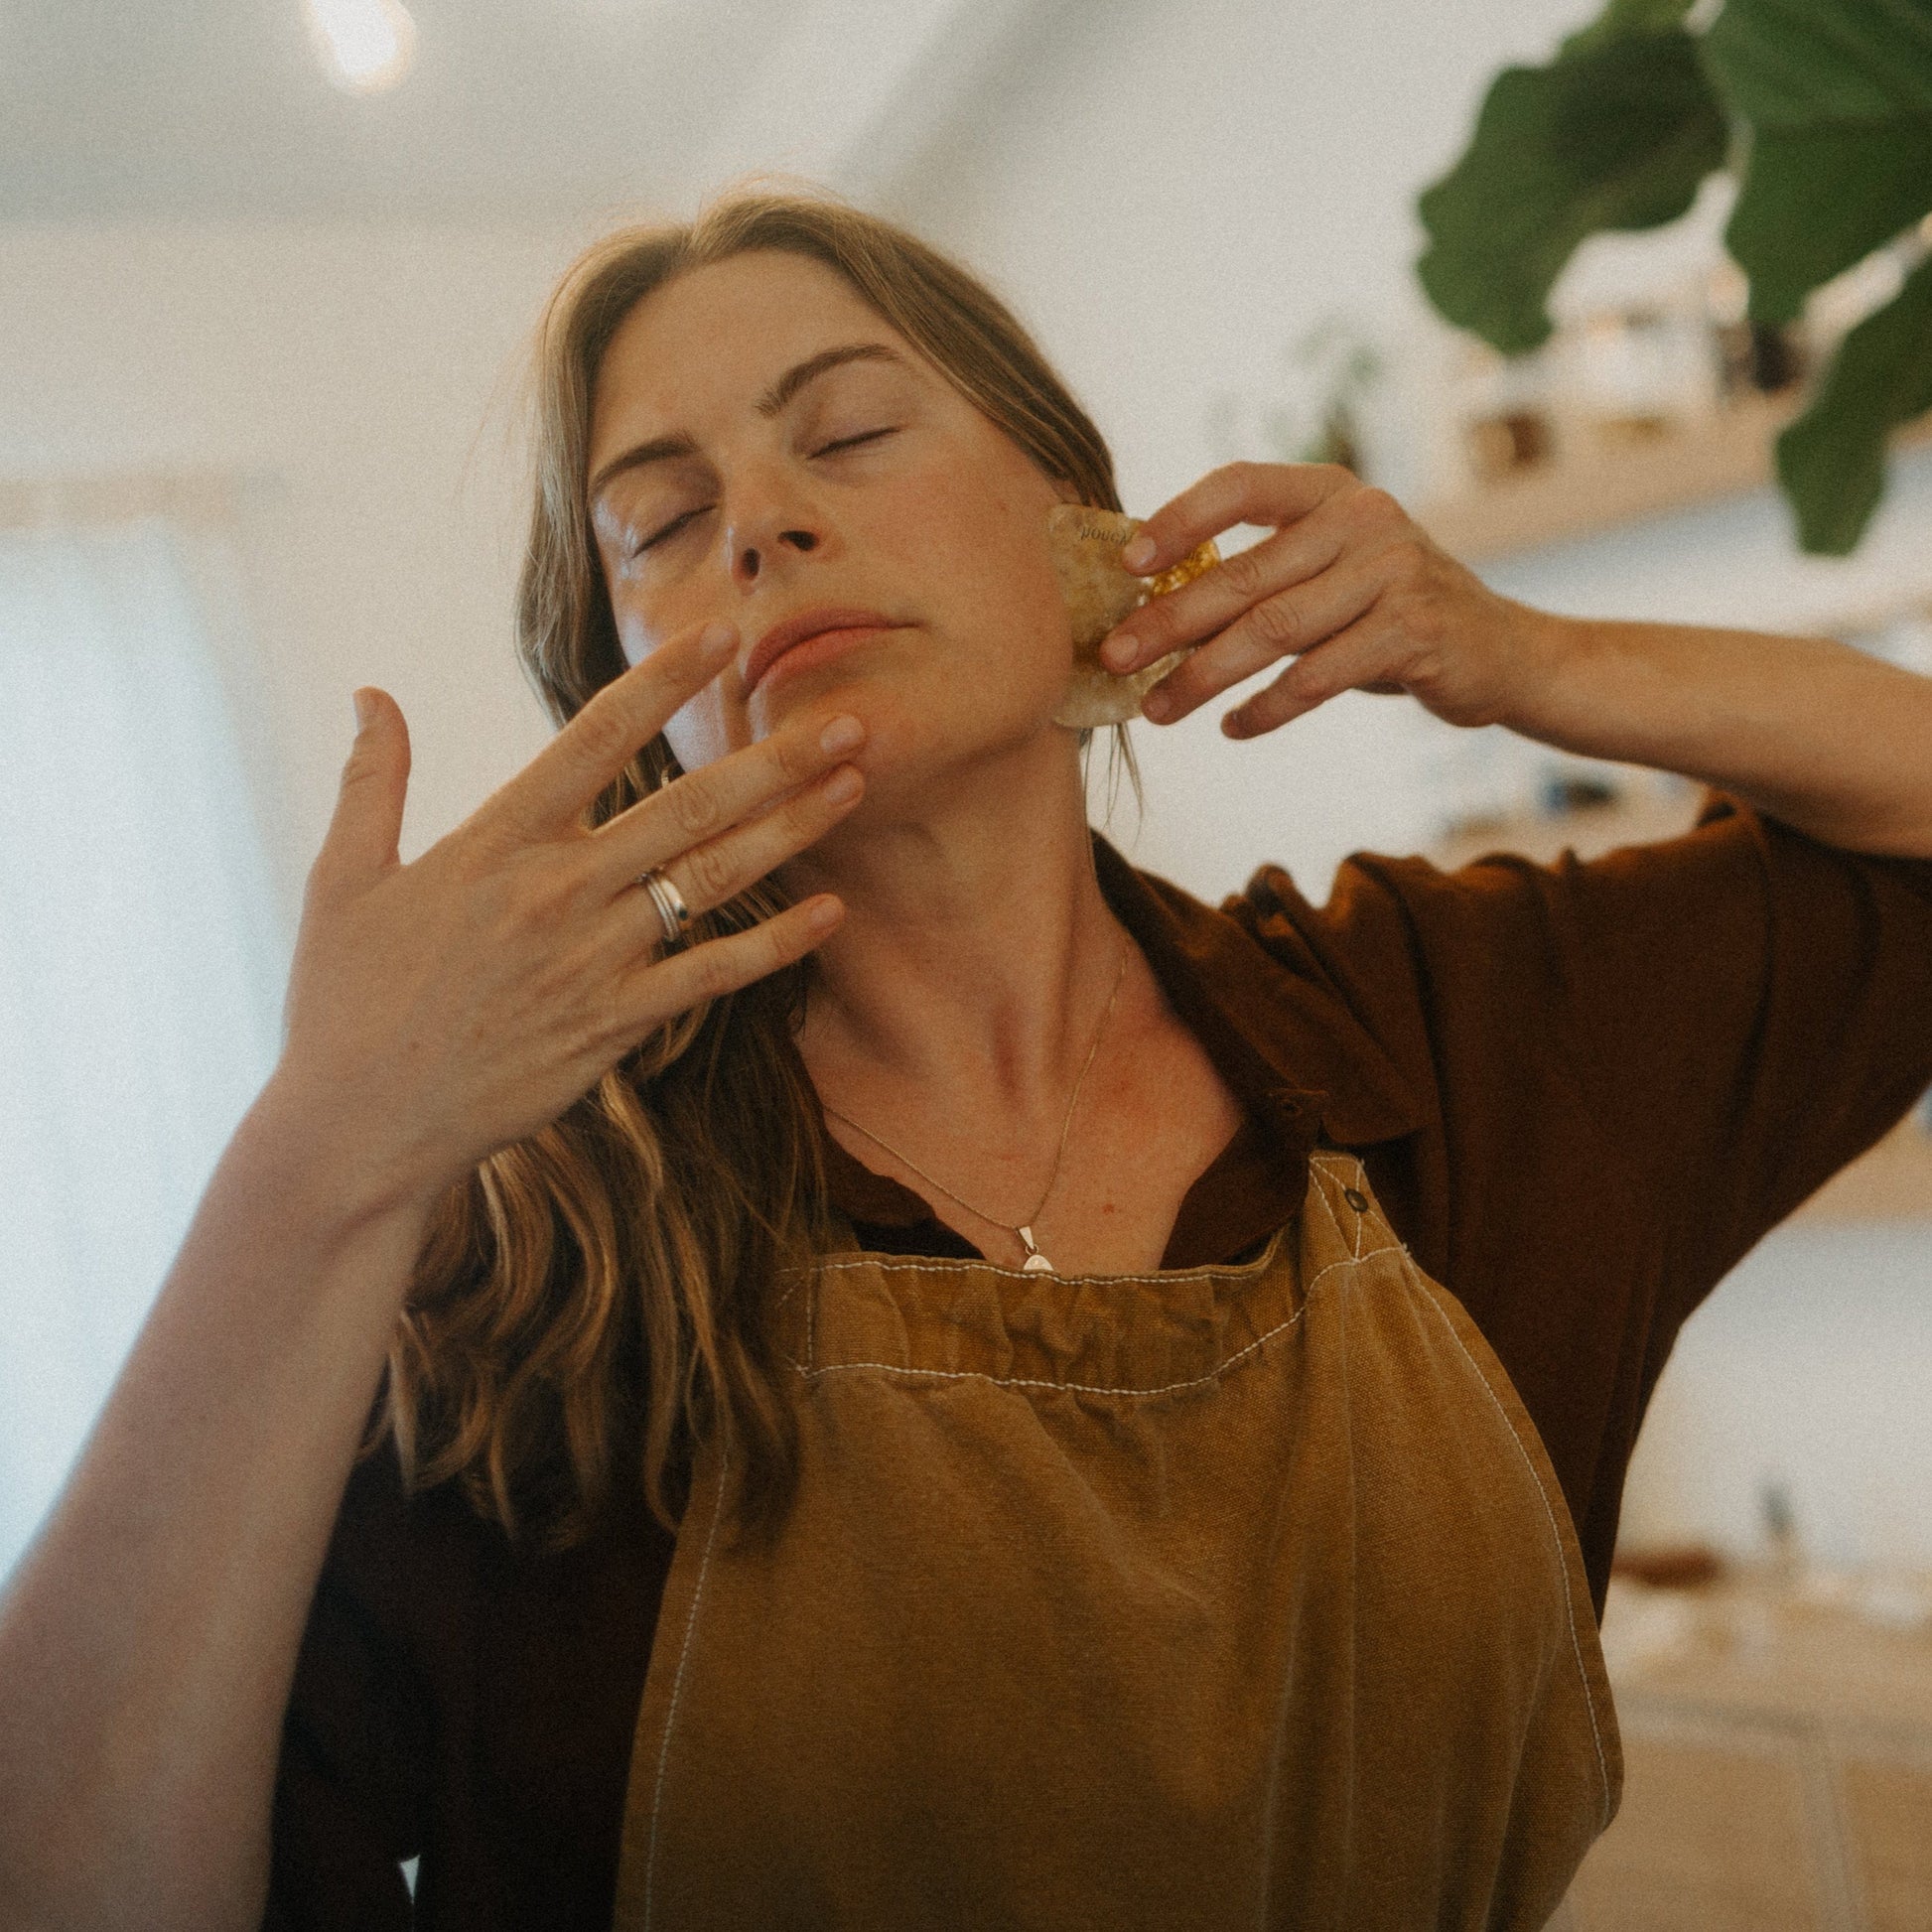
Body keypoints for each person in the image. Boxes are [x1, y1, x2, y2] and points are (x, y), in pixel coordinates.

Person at [3, 190, 1931, 1932]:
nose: (760, 517)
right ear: (630, 690)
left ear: (1089, 536)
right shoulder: (517, 1271)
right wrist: (316, 1153)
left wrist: (1508, 648)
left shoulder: (1459, 1037)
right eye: (663, 523)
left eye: (844, 431)